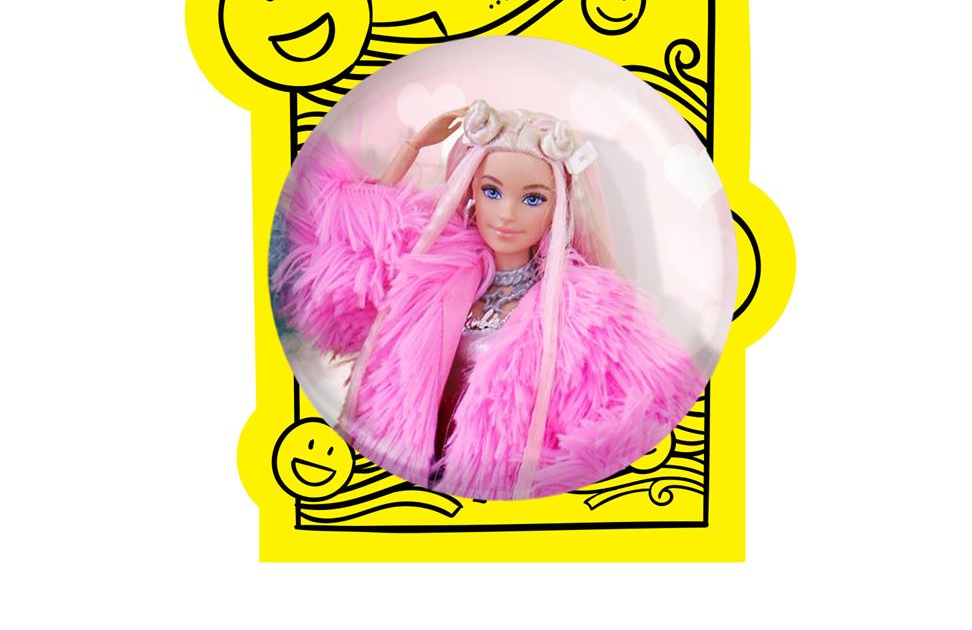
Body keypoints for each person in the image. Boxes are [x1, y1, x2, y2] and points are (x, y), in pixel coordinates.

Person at [271, 100, 705, 499]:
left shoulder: (580, 312)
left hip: (498, 489)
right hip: (404, 474)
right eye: (492, 191)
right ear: (471, 190)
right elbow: (352, 235)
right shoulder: (435, 271)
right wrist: (414, 146)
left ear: (560, 206)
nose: (507, 214)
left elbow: (620, 419)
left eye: (533, 198)